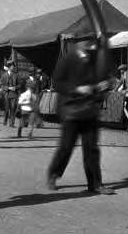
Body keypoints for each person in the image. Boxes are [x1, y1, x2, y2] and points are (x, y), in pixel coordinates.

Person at [46, 40, 115, 195]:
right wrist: (77, 89)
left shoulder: (96, 58)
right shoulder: (67, 59)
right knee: (66, 147)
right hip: (71, 110)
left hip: (90, 110)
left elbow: (107, 78)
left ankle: (95, 184)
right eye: (87, 41)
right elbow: (56, 83)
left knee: (91, 148)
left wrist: (106, 84)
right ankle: (53, 174)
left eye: (92, 41)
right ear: (78, 42)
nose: (91, 45)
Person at [0, 60, 20, 127]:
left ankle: (12, 123)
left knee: (13, 109)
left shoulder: (16, 75)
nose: (13, 67)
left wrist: (15, 88)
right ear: (9, 67)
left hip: (14, 94)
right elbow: (1, 85)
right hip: (6, 94)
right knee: (6, 108)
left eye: (13, 66)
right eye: (12, 66)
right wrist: (8, 88)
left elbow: (19, 85)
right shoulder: (4, 75)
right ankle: (5, 121)